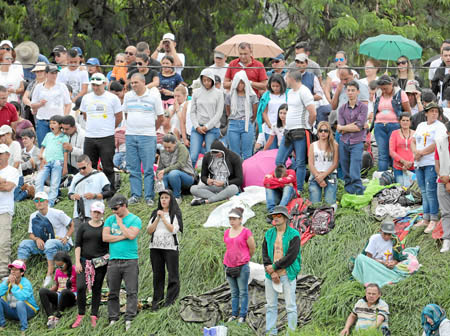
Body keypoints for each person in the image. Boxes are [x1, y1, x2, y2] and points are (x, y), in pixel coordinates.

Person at [123, 72, 164, 206]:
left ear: (143, 82)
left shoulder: (153, 97)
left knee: (147, 168)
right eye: (132, 83)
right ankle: (136, 195)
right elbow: (126, 113)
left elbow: (160, 117)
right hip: (130, 135)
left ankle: (149, 196)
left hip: (147, 136)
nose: (133, 85)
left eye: (136, 82)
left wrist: (151, 129)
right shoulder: (128, 96)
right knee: (133, 168)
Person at [18, 191, 74, 287]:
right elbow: (31, 234)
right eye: (36, 200)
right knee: (24, 244)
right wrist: (36, 239)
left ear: (47, 202)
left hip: (62, 244)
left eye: (41, 200)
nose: (39, 202)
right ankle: (19, 272)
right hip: (44, 245)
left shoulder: (57, 213)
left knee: (50, 243)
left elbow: (72, 225)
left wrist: (67, 237)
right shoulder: (33, 216)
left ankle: (49, 274)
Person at [102, 194, 141, 331]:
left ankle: (130, 317)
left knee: (132, 291)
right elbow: (105, 237)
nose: (114, 211)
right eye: (112, 209)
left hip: (130, 260)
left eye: (116, 208)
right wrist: (122, 235)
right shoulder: (109, 219)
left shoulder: (135, 219)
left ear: (124, 205)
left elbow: (132, 235)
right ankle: (113, 317)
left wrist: (120, 224)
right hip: (113, 260)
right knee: (113, 291)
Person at [262, 205, 301, 335]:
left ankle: (291, 333)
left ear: (285, 218)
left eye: (278, 215)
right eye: (274, 216)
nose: (276, 218)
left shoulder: (294, 235)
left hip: (287, 274)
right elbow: (265, 254)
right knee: (271, 306)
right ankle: (271, 332)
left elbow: (291, 256)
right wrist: (271, 271)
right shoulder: (268, 234)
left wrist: (274, 267)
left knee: (290, 306)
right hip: (271, 275)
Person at [275, 70, 316, 192]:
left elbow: (313, 112)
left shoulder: (304, 91)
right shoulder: (290, 92)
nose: (285, 81)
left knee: (300, 162)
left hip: (301, 131)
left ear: (292, 79)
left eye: (286, 78)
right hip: (288, 131)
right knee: (279, 160)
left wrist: (308, 125)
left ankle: (298, 189)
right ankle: (283, 184)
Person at [81, 73, 122, 189]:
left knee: (108, 166)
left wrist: (109, 128)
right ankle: (91, 189)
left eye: (98, 85)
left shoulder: (113, 98)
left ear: (104, 83)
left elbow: (119, 116)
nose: (95, 87)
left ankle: (109, 191)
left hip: (106, 137)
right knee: (89, 165)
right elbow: (85, 115)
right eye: (93, 85)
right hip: (90, 136)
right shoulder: (86, 98)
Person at [72, 201, 109, 328]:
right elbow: (78, 244)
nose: (96, 214)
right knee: (81, 286)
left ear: (102, 213)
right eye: (94, 212)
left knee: (96, 288)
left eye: (99, 212)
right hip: (84, 262)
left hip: (99, 263)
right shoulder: (83, 226)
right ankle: (81, 314)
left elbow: (108, 245)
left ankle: (94, 315)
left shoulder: (105, 227)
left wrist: (106, 259)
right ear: (91, 212)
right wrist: (77, 262)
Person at [411, 102, 447, 233]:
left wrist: (421, 153)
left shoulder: (440, 126)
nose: (434, 113)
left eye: (436, 111)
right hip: (419, 162)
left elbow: (437, 143)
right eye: (431, 111)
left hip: (431, 162)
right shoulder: (421, 125)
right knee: (423, 191)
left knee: (431, 191)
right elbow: (413, 140)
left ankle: (433, 218)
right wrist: (415, 152)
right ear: (426, 113)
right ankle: (425, 217)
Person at [147, 190, 182, 310]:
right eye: (162, 198)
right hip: (155, 248)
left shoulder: (175, 213)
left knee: (173, 275)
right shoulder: (154, 213)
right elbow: (149, 230)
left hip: (170, 247)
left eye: (166, 197)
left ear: (170, 200)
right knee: (158, 275)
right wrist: (157, 218)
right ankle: (157, 301)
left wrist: (164, 218)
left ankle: (170, 301)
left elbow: (173, 229)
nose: (163, 200)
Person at [370, 75, 411, 172]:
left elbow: (407, 111)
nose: (384, 91)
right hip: (379, 126)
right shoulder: (378, 94)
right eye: (381, 88)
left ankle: (396, 176)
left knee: (394, 153)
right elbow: (375, 110)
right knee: (382, 153)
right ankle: (383, 177)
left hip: (395, 126)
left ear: (391, 84)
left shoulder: (400, 93)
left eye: (386, 88)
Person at [223, 207, 256, 323]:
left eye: (234, 219)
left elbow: (252, 248)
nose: (232, 221)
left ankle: (242, 315)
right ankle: (234, 314)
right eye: (230, 219)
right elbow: (228, 246)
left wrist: (245, 258)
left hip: (242, 265)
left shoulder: (246, 232)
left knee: (243, 291)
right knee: (234, 292)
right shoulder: (227, 232)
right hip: (228, 264)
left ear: (240, 219)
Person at [337, 81, 368, 195]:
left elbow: (358, 127)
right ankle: (349, 194)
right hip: (344, 142)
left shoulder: (363, 107)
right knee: (346, 171)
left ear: (358, 92)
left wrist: (343, 127)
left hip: (357, 142)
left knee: (354, 171)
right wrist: (352, 126)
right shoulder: (342, 109)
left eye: (353, 90)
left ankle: (359, 193)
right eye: (348, 90)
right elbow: (340, 129)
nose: (350, 93)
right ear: (346, 92)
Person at [190, 139, 242, 206]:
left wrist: (224, 183)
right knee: (193, 188)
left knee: (234, 188)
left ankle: (208, 200)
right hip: (213, 186)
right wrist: (207, 180)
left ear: (223, 151)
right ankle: (221, 198)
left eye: (218, 155)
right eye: (214, 155)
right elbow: (203, 176)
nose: (216, 156)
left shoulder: (234, 157)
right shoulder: (207, 157)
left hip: (227, 186)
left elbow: (239, 179)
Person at [68, 154, 112, 233]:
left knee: (95, 239)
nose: (81, 171)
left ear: (90, 164)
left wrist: (94, 196)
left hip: (95, 213)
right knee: (79, 240)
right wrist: (73, 196)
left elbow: (108, 192)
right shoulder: (76, 177)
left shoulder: (100, 175)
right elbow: (70, 194)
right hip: (78, 215)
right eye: (79, 169)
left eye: (83, 168)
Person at [189, 68, 224, 168]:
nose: (206, 83)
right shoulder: (196, 92)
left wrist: (207, 127)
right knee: (193, 155)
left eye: (208, 80)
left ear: (212, 80)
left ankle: (210, 176)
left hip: (212, 128)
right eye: (204, 80)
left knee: (210, 155)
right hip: (197, 128)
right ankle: (190, 176)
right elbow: (192, 112)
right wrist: (196, 126)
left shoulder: (218, 93)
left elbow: (218, 113)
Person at [31, 64, 72, 146]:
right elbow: (32, 105)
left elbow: (68, 104)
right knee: (43, 146)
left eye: (56, 73)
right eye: (52, 73)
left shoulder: (62, 86)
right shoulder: (38, 87)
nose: (54, 75)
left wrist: (64, 119)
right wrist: (40, 104)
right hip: (43, 121)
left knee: (58, 146)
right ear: (46, 74)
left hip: (58, 122)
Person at [35, 115, 68, 206]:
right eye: (50, 123)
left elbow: (65, 153)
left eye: (54, 123)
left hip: (58, 162)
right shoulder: (48, 135)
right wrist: (41, 156)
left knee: (54, 184)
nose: (51, 125)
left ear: (60, 125)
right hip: (46, 162)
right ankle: (39, 200)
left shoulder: (64, 137)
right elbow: (43, 148)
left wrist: (65, 167)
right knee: (38, 180)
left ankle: (49, 204)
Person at [225, 70, 258, 160]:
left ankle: (247, 173)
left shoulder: (252, 95)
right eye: (238, 83)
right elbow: (228, 111)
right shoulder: (229, 95)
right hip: (233, 124)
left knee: (247, 154)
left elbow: (254, 112)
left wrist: (249, 121)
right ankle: (236, 173)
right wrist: (233, 119)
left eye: (242, 83)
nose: (240, 85)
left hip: (247, 123)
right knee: (234, 153)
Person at [38, 251, 77, 329]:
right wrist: (48, 292)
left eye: (61, 266)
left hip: (70, 296)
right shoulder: (57, 271)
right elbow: (56, 286)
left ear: (67, 263)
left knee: (64, 291)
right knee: (42, 291)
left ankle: (58, 317)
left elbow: (81, 285)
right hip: (59, 296)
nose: (59, 268)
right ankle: (50, 317)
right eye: (57, 266)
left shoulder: (75, 270)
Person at [0, 260, 38, 333]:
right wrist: (6, 283)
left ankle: (24, 329)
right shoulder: (8, 281)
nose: (12, 272)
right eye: (12, 269)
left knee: (20, 303)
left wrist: (14, 285)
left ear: (22, 272)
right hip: (12, 311)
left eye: (16, 270)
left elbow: (21, 297)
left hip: (28, 311)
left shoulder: (26, 283)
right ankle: (1, 325)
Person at [156, 134, 195, 204]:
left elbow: (180, 165)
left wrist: (165, 170)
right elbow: (160, 168)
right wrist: (159, 175)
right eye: (165, 147)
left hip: (187, 176)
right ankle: (166, 197)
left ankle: (177, 196)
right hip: (170, 175)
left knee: (173, 174)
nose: (167, 149)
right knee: (163, 178)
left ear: (175, 143)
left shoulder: (182, 148)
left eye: (169, 147)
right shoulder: (163, 151)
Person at [308, 121, 339, 205]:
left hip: (330, 175)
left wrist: (323, 176)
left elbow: (335, 164)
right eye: (321, 130)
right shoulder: (312, 145)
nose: (323, 133)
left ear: (329, 132)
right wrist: (318, 177)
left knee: (330, 204)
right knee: (315, 205)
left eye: (326, 131)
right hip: (315, 175)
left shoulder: (334, 145)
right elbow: (310, 164)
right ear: (317, 132)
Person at [0, 144, 19, 278]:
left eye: (1, 154)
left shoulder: (12, 170)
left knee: (3, 243)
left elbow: (8, 187)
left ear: (8, 155)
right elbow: (4, 185)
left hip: (4, 209)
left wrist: (5, 182)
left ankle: (2, 273)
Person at [258, 74, 288, 149]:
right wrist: (269, 125)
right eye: (273, 86)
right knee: (272, 151)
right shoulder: (267, 95)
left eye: (277, 86)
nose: (275, 88)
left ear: (282, 85)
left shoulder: (287, 94)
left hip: (284, 128)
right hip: (270, 128)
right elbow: (264, 112)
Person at [389, 112, 415, 187]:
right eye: (403, 120)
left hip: (412, 166)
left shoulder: (415, 133)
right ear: (399, 121)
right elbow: (391, 151)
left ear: (410, 122)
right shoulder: (394, 133)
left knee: (413, 190)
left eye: (407, 120)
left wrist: (410, 162)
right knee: (401, 189)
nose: (405, 122)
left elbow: (417, 150)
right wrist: (403, 162)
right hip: (399, 167)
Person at [436, 121, 450, 253]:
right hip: (442, 180)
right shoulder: (441, 143)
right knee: (446, 212)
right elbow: (437, 164)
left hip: (447, 180)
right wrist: (444, 179)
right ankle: (447, 240)